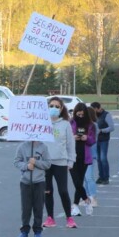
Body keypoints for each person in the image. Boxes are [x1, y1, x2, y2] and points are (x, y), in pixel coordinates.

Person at [43, 97, 77, 229]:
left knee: (63, 191)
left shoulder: (65, 124)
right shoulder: (42, 123)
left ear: (61, 109)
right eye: (51, 105)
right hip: (45, 163)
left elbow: (70, 144)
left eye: (57, 106)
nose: (54, 108)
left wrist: (71, 161)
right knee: (47, 191)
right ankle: (50, 218)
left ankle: (69, 218)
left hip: (61, 162)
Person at [14, 140, 51, 237]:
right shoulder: (22, 146)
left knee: (38, 207)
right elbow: (16, 162)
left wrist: (36, 162)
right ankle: (24, 231)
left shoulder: (43, 147)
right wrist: (26, 166)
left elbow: (48, 164)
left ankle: (38, 231)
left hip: (39, 181)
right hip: (25, 182)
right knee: (26, 208)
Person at [69, 103, 96, 217]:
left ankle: (75, 205)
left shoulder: (91, 125)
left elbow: (93, 140)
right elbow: (64, 138)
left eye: (82, 114)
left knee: (79, 182)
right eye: (78, 114)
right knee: (76, 181)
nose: (80, 116)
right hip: (71, 156)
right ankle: (86, 200)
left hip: (84, 156)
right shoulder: (70, 123)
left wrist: (86, 138)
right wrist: (72, 137)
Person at [91, 101, 115, 185]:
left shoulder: (106, 115)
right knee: (98, 159)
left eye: (94, 110)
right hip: (95, 140)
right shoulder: (94, 116)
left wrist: (102, 130)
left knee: (103, 158)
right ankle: (101, 176)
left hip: (104, 139)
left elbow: (112, 127)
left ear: (98, 108)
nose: (93, 112)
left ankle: (106, 177)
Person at [82, 106, 99, 207]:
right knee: (85, 178)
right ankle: (87, 198)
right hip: (82, 154)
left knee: (89, 177)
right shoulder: (83, 125)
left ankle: (93, 198)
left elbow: (91, 139)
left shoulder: (93, 125)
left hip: (90, 154)